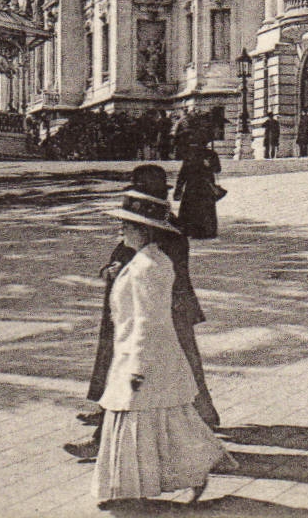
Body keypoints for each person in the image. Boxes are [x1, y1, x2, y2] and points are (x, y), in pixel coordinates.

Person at [93, 191, 234, 510]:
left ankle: (131, 489)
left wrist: (137, 366)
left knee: (140, 419)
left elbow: (149, 320)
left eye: (127, 225)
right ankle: (190, 470)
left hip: (144, 354)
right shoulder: (144, 261)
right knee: (164, 419)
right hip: (138, 352)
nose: (120, 231)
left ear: (145, 230)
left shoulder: (149, 267)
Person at [174, 135, 223, 241]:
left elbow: (182, 174)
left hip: (200, 186)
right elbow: (184, 173)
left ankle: (201, 231)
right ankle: (199, 230)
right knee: (197, 208)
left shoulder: (210, 155)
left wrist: (178, 189)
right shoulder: (197, 155)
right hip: (197, 186)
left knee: (200, 208)